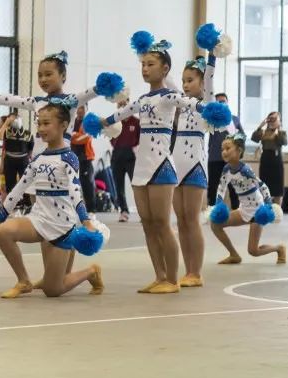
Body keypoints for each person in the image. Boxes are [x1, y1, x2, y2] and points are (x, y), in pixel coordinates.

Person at [88, 32, 198, 294]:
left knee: (162, 223)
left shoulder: (170, 96)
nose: (145, 69)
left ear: (165, 68)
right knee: (148, 224)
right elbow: (116, 116)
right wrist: (98, 123)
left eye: (151, 64)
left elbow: (193, 103)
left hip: (162, 165)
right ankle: (159, 276)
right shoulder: (141, 100)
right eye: (143, 64)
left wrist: (212, 111)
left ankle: (172, 279)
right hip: (141, 167)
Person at [0, 103, 103, 299]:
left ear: (63, 125)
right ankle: (24, 281)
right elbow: (19, 187)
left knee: (52, 290)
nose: (41, 128)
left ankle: (91, 272)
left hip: (61, 226)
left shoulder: (69, 158)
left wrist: (86, 220)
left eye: (47, 123)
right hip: (38, 220)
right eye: (39, 123)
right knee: (3, 232)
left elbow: (75, 191)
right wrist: (2, 214)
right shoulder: (38, 158)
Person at [171, 33, 229, 289]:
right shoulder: (182, 104)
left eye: (190, 80)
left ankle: (197, 271)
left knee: (192, 219)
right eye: (183, 80)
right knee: (181, 219)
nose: (185, 85)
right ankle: (187, 268)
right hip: (176, 163)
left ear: (201, 82)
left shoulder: (205, 102)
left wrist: (212, 53)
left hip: (195, 163)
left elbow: (211, 75)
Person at [0, 51, 124, 157]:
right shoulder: (37, 101)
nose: (43, 79)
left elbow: (94, 90)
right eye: (40, 75)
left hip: (61, 160)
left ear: (63, 76)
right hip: (37, 160)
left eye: (48, 74)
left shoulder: (72, 100)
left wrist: (105, 86)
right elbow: (11, 99)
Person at [211, 134, 286, 266]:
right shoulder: (226, 169)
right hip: (243, 210)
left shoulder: (245, 170)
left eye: (228, 148)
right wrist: (218, 203)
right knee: (215, 224)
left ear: (239, 150)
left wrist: (268, 205)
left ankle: (279, 248)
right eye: (222, 149)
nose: (224, 152)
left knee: (253, 251)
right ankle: (234, 255)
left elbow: (262, 186)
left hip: (257, 211)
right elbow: (221, 188)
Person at [207, 93, 244, 209]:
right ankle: (212, 210)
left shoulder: (235, 119)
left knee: (234, 185)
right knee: (213, 185)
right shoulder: (211, 119)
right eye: (218, 102)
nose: (221, 103)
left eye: (223, 101)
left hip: (231, 159)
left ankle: (236, 209)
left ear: (227, 102)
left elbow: (242, 136)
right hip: (214, 157)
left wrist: (238, 150)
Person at [109, 108, 139, 222]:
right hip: (117, 157)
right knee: (119, 186)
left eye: (124, 102)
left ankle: (142, 212)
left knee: (136, 186)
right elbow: (110, 137)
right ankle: (124, 211)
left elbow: (141, 139)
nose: (122, 105)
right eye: (119, 103)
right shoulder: (115, 122)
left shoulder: (136, 122)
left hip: (131, 158)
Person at [251, 111, 287, 205]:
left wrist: (278, 129)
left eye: (274, 119)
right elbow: (254, 138)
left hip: (277, 160)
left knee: (278, 188)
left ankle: (278, 211)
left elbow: (283, 142)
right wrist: (260, 126)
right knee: (264, 186)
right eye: (270, 118)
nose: (272, 121)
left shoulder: (281, 132)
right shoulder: (263, 132)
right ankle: (267, 210)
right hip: (265, 159)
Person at [0, 111, 31, 212]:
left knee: (25, 182)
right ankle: (12, 205)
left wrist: (29, 160)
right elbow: (0, 136)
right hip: (10, 160)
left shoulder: (27, 133)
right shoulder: (8, 132)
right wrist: (7, 122)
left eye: (17, 118)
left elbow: (30, 150)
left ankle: (26, 204)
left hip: (23, 160)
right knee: (10, 183)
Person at [70, 106, 97, 214]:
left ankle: (91, 210)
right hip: (72, 157)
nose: (80, 110)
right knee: (72, 184)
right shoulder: (71, 121)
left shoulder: (89, 122)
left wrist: (75, 136)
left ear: (85, 109)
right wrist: (75, 136)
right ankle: (74, 209)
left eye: (82, 108)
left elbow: (86, 138)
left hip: (85, 158)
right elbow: (67, 136)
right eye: (79, 108)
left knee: (87, 185)